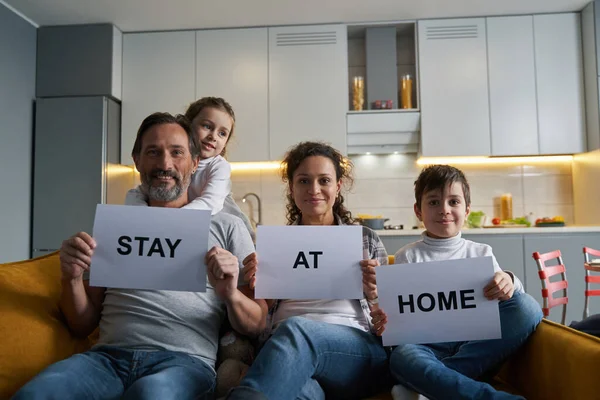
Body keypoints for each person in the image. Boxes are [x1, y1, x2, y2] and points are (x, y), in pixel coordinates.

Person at [12, 112, 267, 400]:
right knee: (36, 394)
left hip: (184, 363)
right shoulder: (117, 223)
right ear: (137, 160)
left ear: (195, 163)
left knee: (150, 394)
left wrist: (231, 294)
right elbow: (81, 324)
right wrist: (70, 278)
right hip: (106, 360)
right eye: (153, 152)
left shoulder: (227, 225)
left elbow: (258, 323)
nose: (165, 164)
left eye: (176, 153)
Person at [226, 141, 391, 400]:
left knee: (297, 328)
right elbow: (256, 322)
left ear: (338, 186)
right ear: (291, 188)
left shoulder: (364, 239)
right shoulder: (275, 245)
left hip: (354, 352)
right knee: (302, 393)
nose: (314, 190)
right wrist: (257, 285)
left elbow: (392, 322)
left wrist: (375, 293)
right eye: (304, 181)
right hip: (286, 353)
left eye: (324, 180)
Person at [365, 164, 543, 400]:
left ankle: (426, 387)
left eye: (454, 202)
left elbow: (511, 298)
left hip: (476, 344)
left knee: (527, 306)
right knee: (402, 357)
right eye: (433, 202)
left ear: (467, 209)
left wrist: (508, 280)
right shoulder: (406, 256)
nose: (444, 210)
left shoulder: (482, 252)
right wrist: (383, 320)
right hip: (425, 347)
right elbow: (395, 318)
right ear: (418, 211)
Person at [125, 97, 254, 239]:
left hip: (229, 230)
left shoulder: (219, 167)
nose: (213, 136)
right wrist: (142, 217)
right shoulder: (172, 170)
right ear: (188, 125)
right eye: (207, 126)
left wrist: (174, 218)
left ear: (195, 163)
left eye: (222, 133)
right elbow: (137, 193)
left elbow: (211, 202)